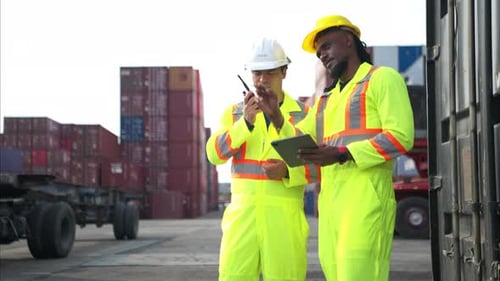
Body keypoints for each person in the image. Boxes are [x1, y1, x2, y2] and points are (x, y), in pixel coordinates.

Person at [255, 15, 415, 281]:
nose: (323, 57)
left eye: (327, 47)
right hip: (330, 207)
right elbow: (298, 139)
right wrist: (276, 117)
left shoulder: (382, 79)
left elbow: (400, 136)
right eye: (319, 54)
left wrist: (342, 154)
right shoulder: (325, 101)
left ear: (348, 39)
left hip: (366, 200)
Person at [205, 37, 319, 281]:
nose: (262, 80)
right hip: (242, 218)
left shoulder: (303, 114)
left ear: (284, 72)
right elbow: (214, 155)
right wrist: (245, 123)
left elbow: (318, 166)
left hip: (284, 218)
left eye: (269, 73)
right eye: (257, 73)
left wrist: (288, 172)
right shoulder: (235, 113)